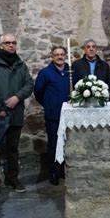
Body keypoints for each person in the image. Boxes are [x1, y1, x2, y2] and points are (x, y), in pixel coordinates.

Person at [0, 33, 34, 193]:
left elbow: (29, 83)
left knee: (12, 149)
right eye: (8, 43)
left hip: (15, 113)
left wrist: (17, 97)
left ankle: (12, 179)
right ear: (0, 45)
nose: (11, 45)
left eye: (14, 43)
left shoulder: (20, 64)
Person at [34, 46, 75, 186]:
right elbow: (38, 92)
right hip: (53, 115)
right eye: (56, 54)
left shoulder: (71, 72)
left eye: (62, 54)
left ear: (65, 56)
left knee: (68, 143)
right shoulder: (46, 73)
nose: (59, 57)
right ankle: (53, 172)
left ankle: (64, 170)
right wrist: (48, 103)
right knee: (54, 144)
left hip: (69, 115)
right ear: (52, 57)